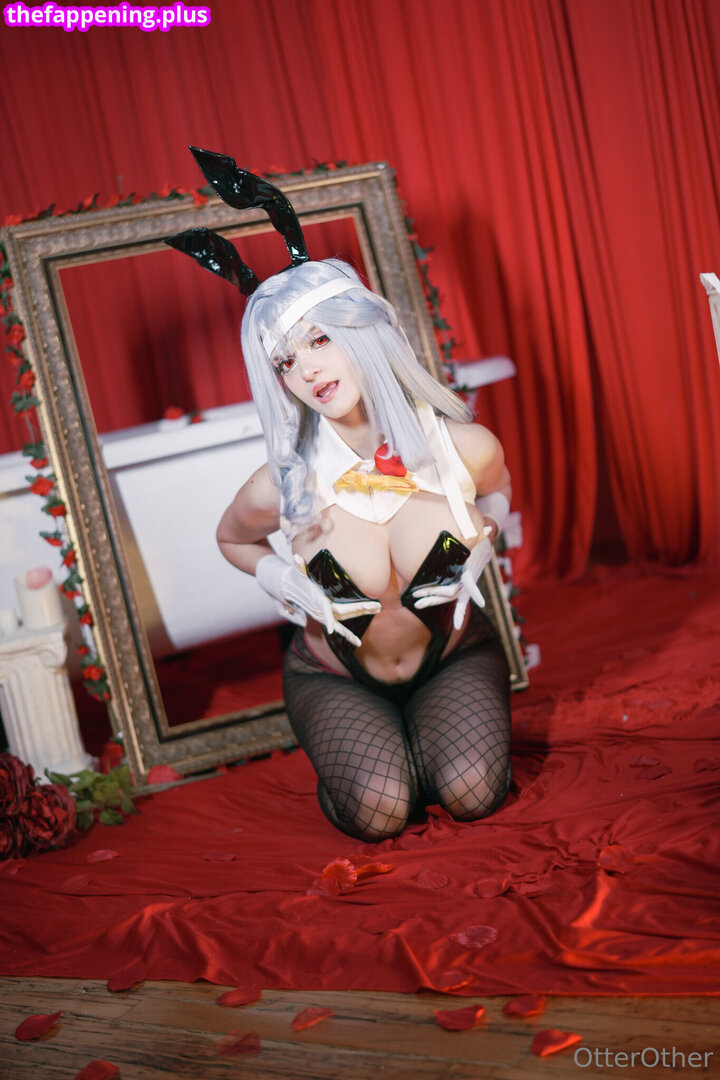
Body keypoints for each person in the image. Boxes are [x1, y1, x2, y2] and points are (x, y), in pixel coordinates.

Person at [169, 149, 513, 842]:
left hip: (450, 655)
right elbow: (231, 538)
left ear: (362, 329)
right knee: (379, 812)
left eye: (319, 339)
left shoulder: (463, 447)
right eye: (285, 360)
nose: (306, 369)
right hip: (337, 674)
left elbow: (499, 494)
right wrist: (277, 576)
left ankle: (424, 741)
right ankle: (392, 754)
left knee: (473, 793)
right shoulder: (283, 483)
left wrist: (485, 543)